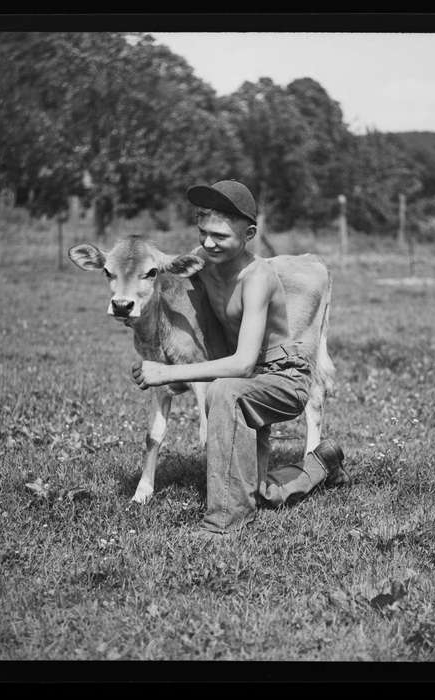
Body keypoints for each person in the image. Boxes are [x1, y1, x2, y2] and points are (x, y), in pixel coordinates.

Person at [130, 179, 349, 536]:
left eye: (220, 236)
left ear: (248, 234)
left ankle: (225, 521)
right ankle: (323, 465)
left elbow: (244, 363)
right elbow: (173, 292)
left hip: (283, 377)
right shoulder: (203, 261)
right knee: (261, 491)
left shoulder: (257, 277)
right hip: (252, 380)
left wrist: (166, 374)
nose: (207, 243)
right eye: (203, 232)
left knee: (223, 392)